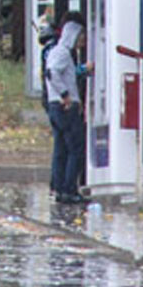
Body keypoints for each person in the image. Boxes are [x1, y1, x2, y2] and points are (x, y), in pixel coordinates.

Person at [44, 11, 93, 204]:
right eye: (81, 37)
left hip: (55, 106)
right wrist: (66, 95)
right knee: (75, 148)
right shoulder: (62, 53)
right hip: (64, 107)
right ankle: (69, 189)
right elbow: (52, 73)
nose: (83, 41)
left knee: (61, 149)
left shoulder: (58, 52)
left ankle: (59, 187)